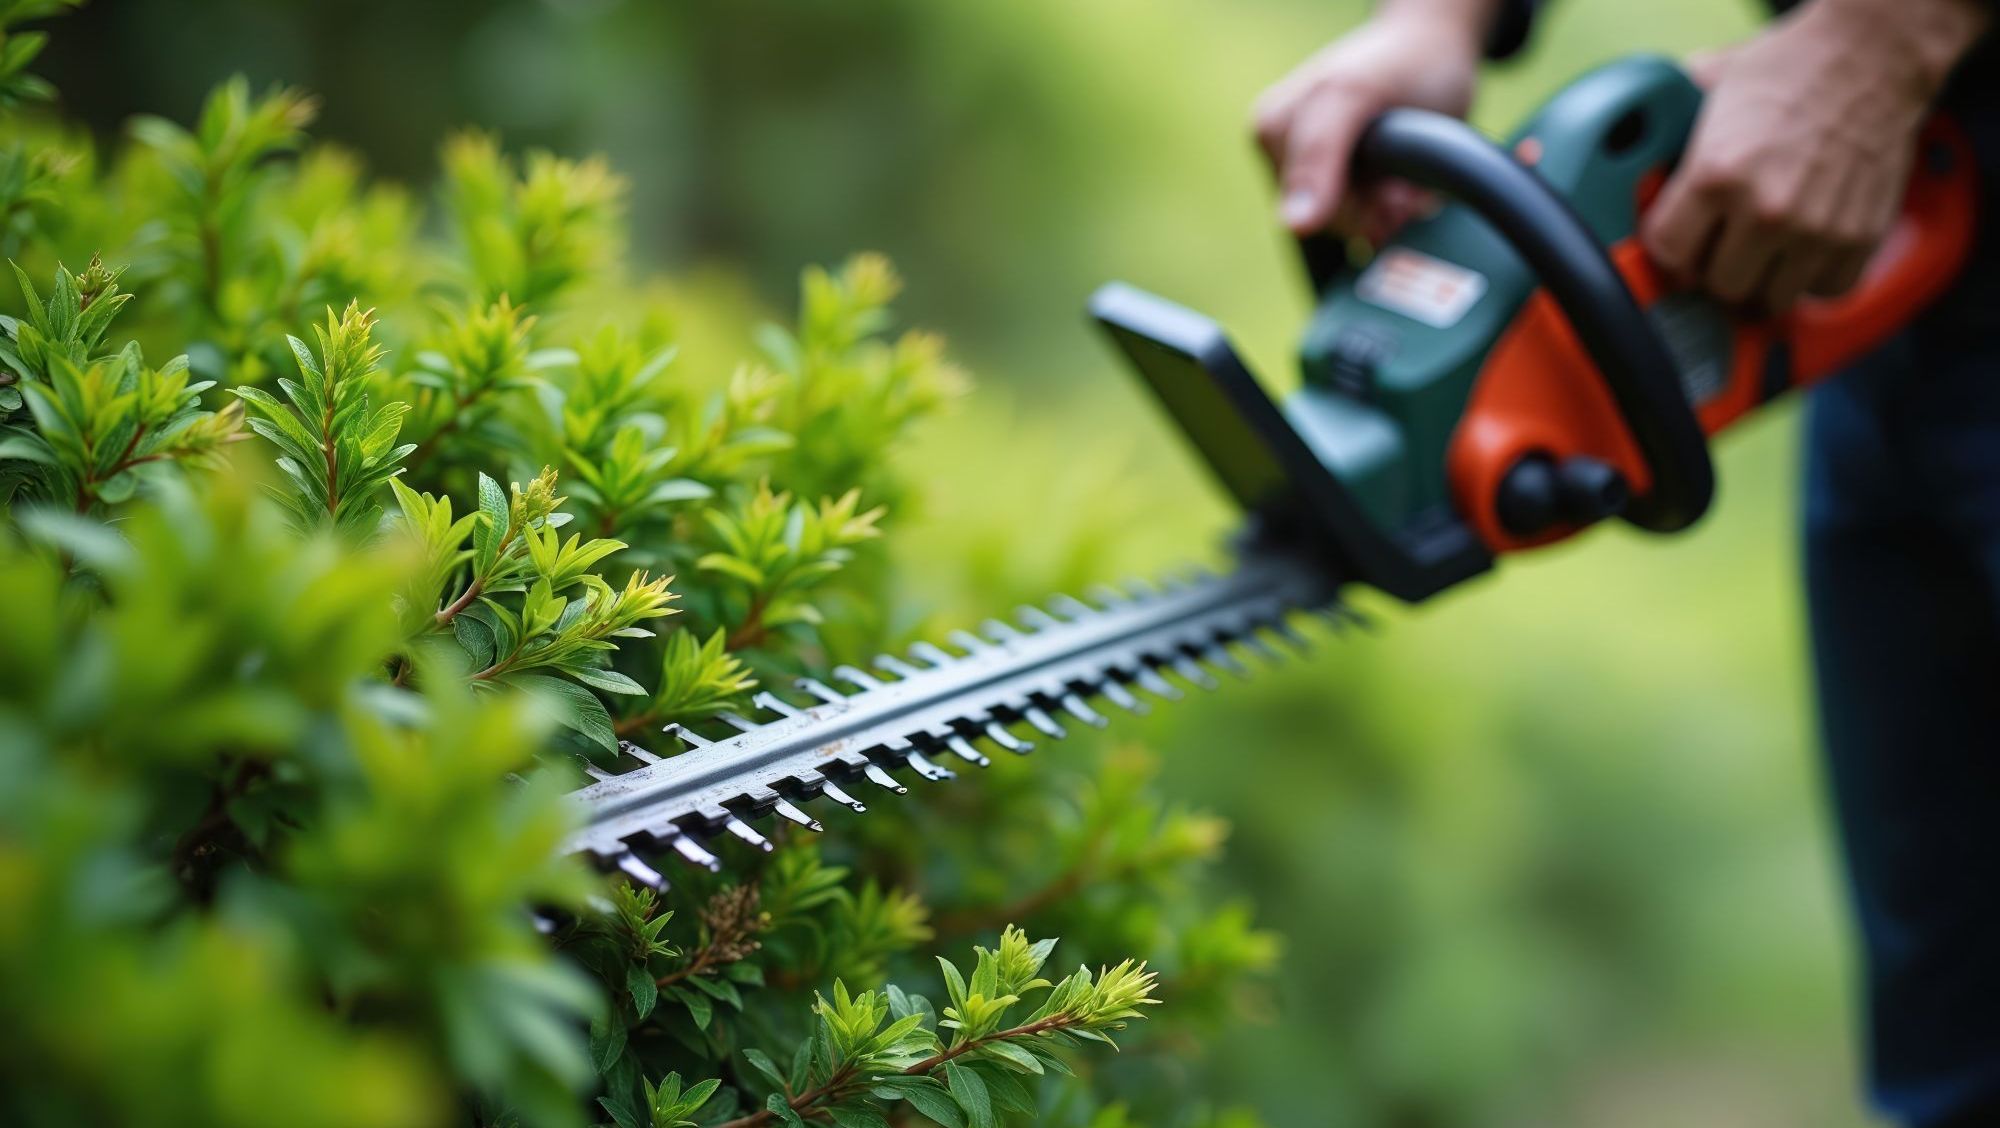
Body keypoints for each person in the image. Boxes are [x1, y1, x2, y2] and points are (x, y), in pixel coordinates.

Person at [1252, 1, 2000, 1125]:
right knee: (1950, 1048)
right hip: (1885, 223)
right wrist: (1440, 18)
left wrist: (1877, 40)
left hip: (1883, 92)